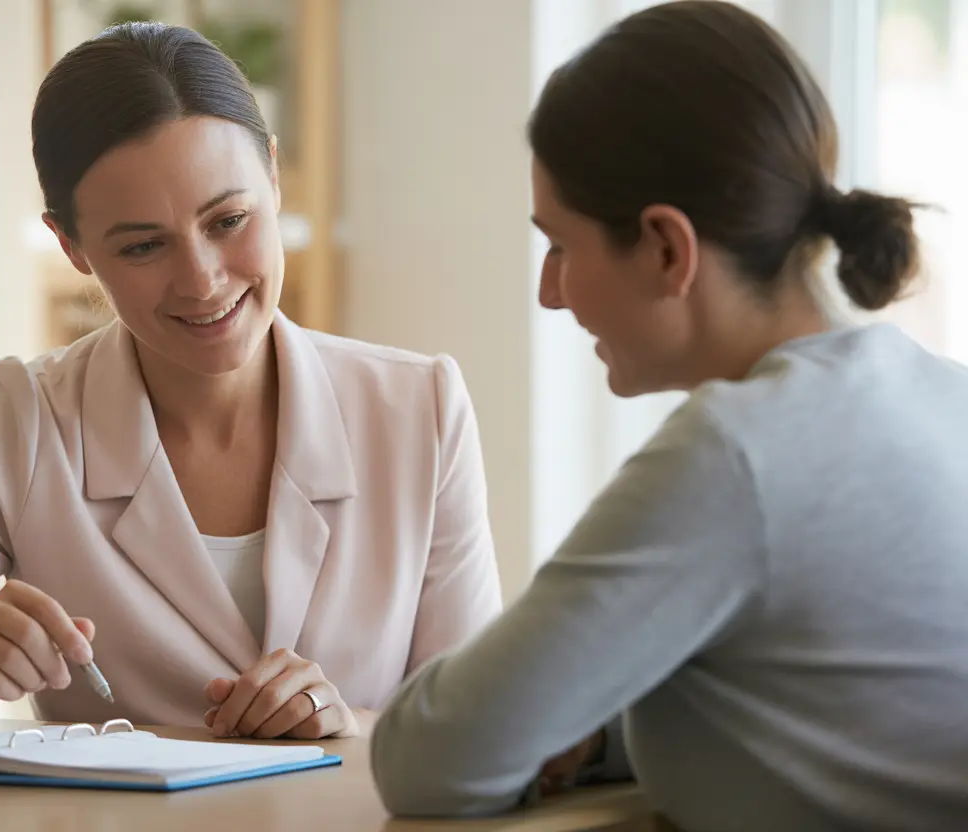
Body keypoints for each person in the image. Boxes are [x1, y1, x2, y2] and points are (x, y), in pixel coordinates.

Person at [0, 22, 501, 745]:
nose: (202, 280)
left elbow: (481, 730)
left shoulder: (419, 409)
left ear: (273, 177)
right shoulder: (25, 425)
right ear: (72, 247)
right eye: (144, 245)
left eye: (229, 219)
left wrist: (353, 726)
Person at [370, 2, 968, 830]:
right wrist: (586, 723)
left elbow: (429, 759)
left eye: (561, 246)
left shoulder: (734, 453)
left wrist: (530, 709)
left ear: (665, 248)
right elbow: (807, 690)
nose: (550, 292)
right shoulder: (944, 397)